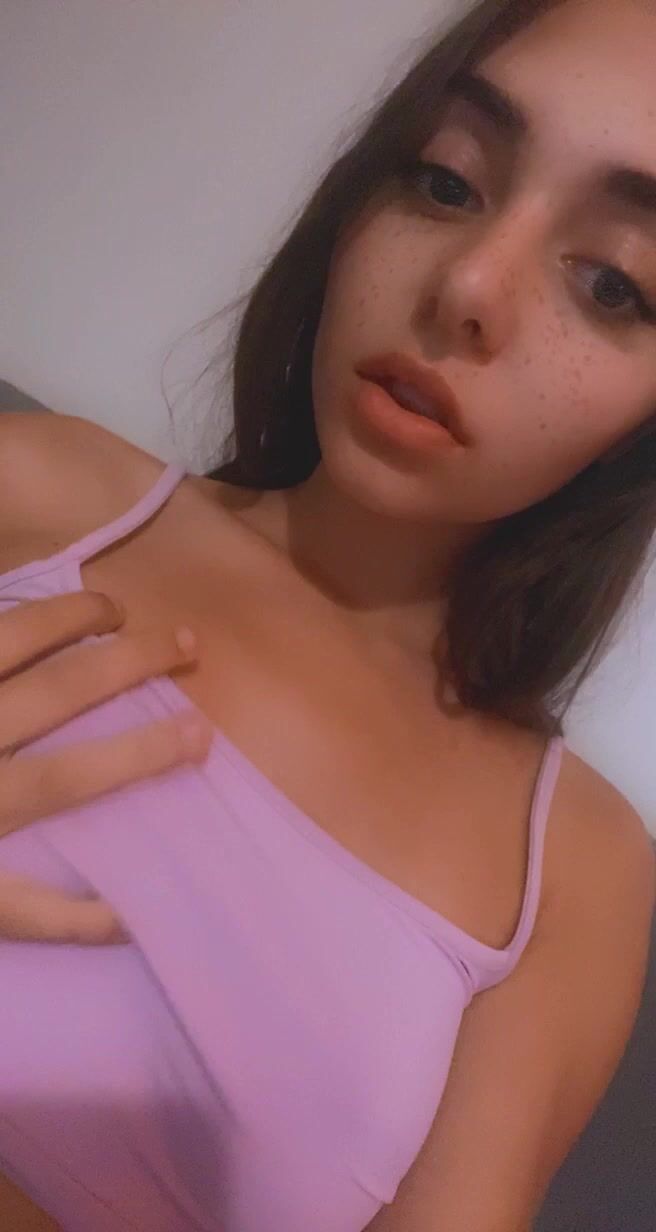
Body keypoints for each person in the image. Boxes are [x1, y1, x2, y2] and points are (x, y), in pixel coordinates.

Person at [1, 0, 655, 1227]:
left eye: (613, 283)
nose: (467, 283)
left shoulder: (574, 867)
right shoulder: (34, 495)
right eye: (445, 180)